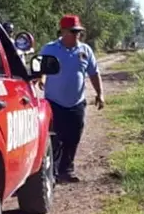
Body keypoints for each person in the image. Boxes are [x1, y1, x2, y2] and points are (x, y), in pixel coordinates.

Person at [39, 14, 104, 183]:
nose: (77, 35)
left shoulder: (85, 51)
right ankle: (52, 172)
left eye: (79, 32)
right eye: (73, 31)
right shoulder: (50, 49)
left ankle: (66, 170)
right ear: (63, 31)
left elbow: (94, 73)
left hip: (76, 103)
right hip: (54, 102)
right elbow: (42, 69)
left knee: (73, 137)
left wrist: (100, 93)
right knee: (55, 138)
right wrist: (42, 79)